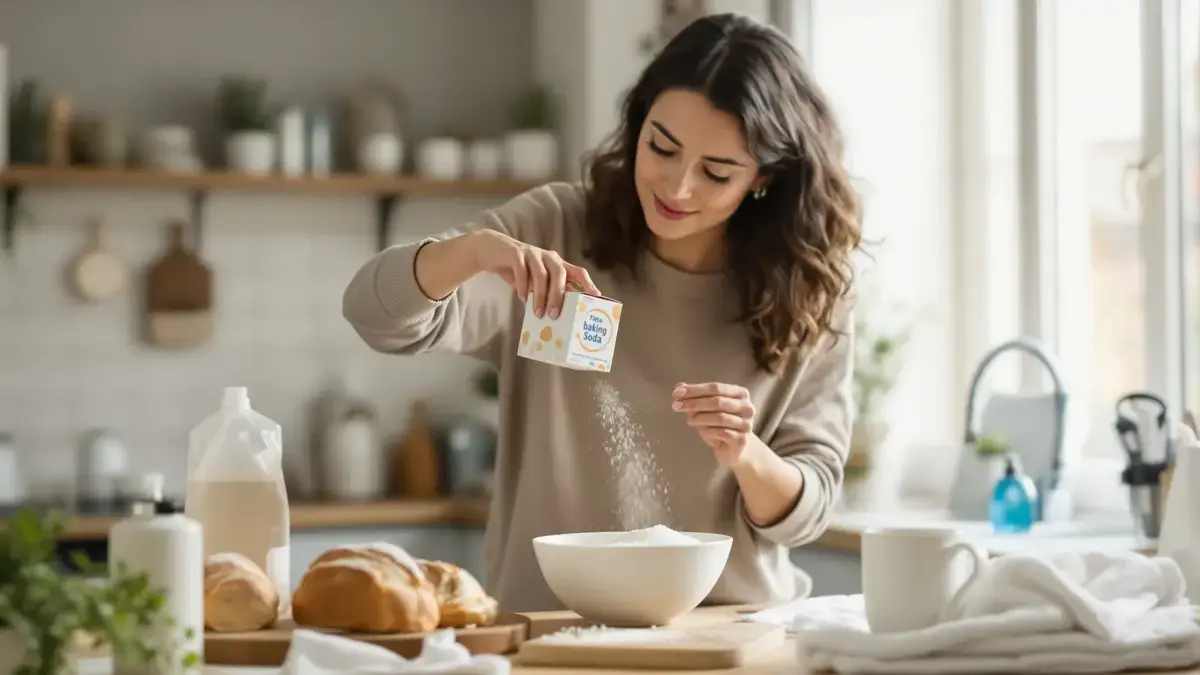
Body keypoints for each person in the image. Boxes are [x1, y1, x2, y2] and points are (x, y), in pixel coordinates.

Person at [343, 13, 861, 612]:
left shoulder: (810, 289)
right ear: (637, 124)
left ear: (764, 178)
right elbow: (373, 315)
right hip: (552, 631)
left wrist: (747, 454)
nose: (678, 186)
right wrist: (471, 251)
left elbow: (808, 512)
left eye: (716, 172)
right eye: (661, 147)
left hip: (727, 636)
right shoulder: (556, 230)